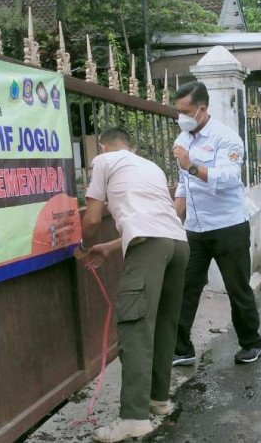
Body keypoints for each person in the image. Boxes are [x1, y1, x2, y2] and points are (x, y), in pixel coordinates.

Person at [76, 128, 189, 443]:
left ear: (103, 146)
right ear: (132, 145)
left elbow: (94, 217)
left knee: (135, 328)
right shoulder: (148, 166)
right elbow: (149, 219)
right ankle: (157, 400)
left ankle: (134, 418)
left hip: (150, 248)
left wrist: (82, 245)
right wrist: (109, 248)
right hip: (178, 243)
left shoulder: (103, 161)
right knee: (164, 325)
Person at [170, 81, 261, 366]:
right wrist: (175, 219)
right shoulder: (183, 140)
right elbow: (184, 186)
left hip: (228, 226)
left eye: (185, 111)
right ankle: (182, 348)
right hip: (196, 228)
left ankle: (251, 343)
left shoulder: (226, 138)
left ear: (202, 109)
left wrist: (190, 165)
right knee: (186, 287)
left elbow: (229, 178)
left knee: (236, 287)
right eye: (178, 112)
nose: (181, 117)